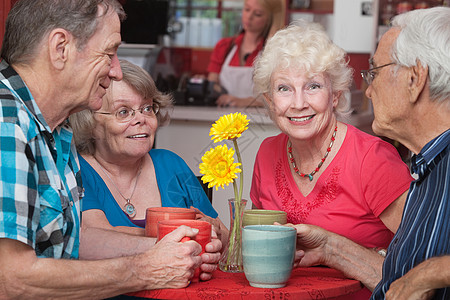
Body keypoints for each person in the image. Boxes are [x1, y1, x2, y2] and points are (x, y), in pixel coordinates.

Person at [0, 1, 221, 299]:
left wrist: (178, 253)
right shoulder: (7, 123)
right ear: (60, 48)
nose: (116, 71)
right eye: (109, 53)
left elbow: (70, 250)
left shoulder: (56, 132)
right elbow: (10, 279)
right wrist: (145, 269)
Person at [251, 21, 413, 297]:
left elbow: (425, 271)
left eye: (313, 86)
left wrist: (334, 250)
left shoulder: (372, 159)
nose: (298, 103)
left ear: (336, 95)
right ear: (269, 100)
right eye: (284, 89)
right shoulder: (266, 153)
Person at [70, 59, 227, 242]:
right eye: (123, 112)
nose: (141, 119)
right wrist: (184, 231)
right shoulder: (76, 170)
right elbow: (96, 235)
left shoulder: (171, 165)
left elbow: (225, 240)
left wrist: (214, 231)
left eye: (147, 108)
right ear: (90, 122)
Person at [364, 7, 449, 299]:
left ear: (415, 78)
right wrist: (332, 248)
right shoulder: (428, 164)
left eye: (374, 72)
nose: (368, 90)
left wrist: (430, 274)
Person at [207, 0, 285, 107]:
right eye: (247, 9)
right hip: (224, 119)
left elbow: (281, 97)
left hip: (259, 120)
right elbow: (212, 85)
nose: (249, 16)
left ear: (269, 19)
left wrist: (250, 102)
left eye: (258, 14)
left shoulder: (275, 53)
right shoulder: (224, 47)